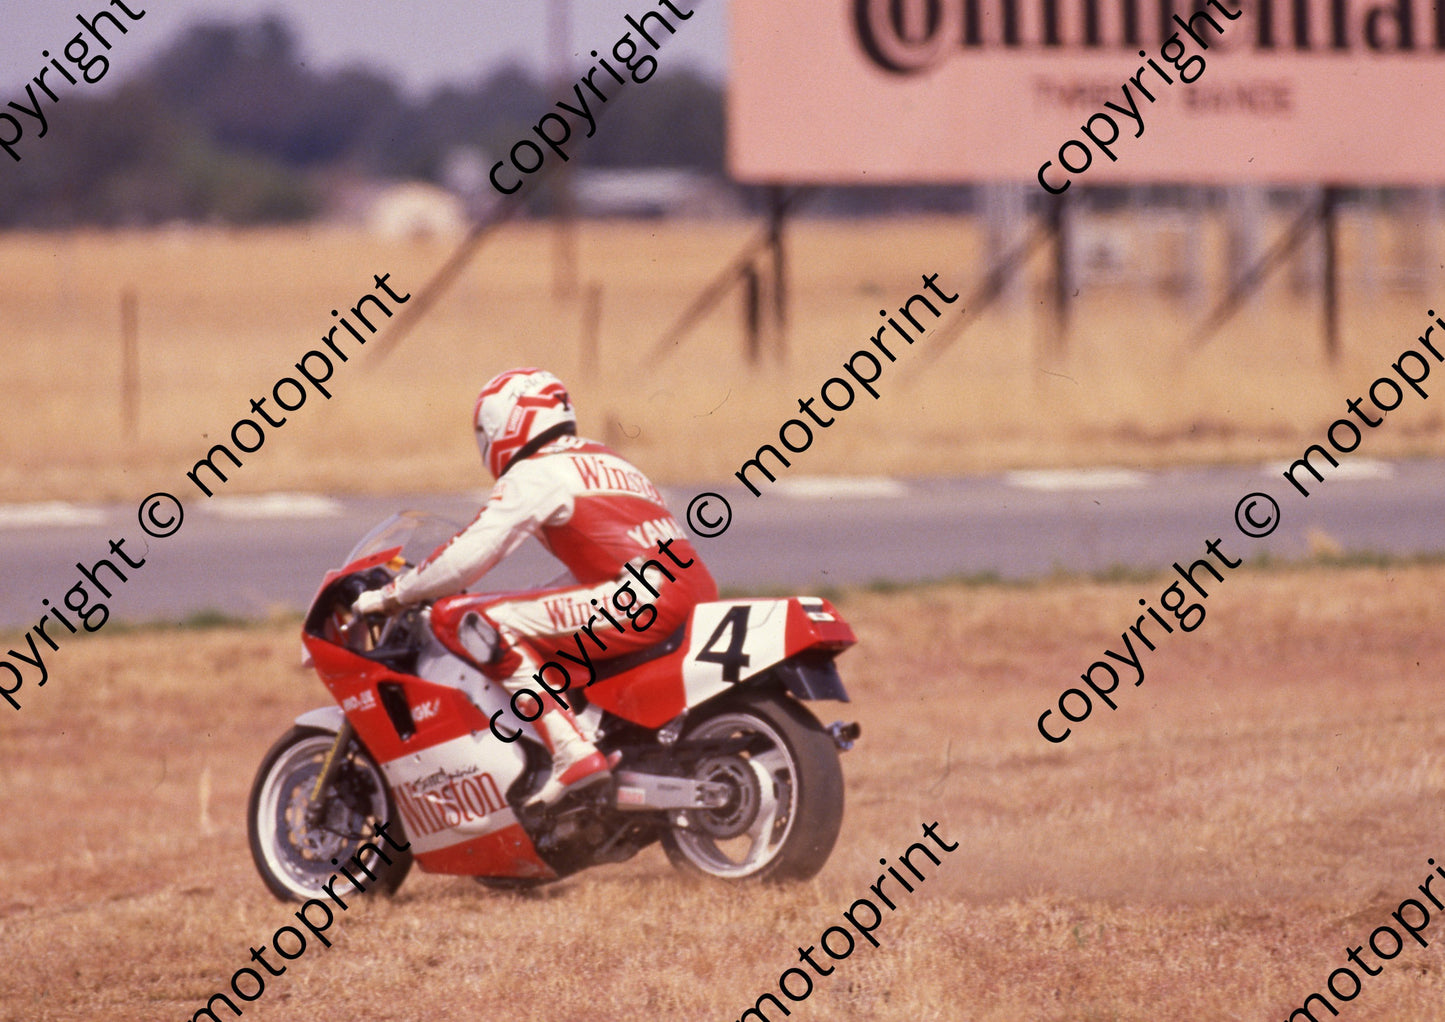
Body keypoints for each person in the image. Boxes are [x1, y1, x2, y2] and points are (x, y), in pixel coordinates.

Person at [354, 367, 717, 807]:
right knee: (529, 615)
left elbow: (469, 554)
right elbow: (603, 565)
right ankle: (596, 740)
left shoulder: (537, 470)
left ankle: (571, 752)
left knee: (477, 620)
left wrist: (393, 594)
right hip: (689, 589)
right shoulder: (606, 458)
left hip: (645, 595)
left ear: (504, 424)